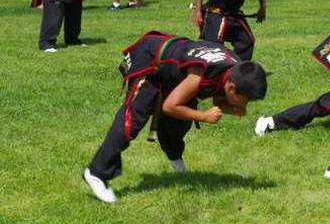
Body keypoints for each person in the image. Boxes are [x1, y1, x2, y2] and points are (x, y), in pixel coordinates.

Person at [83, 31, 268, 203]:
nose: (245, 105)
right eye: (246, 100)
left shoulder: (234, 69)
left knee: (180, 122)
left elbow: (218, 101)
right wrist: (203, 116)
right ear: (232, 88)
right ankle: (96, 172)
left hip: (176, 74)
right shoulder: (202, 73)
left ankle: (173, 154)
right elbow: (170, 106)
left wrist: (230, 108)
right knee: (132, 121)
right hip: (152, 62)